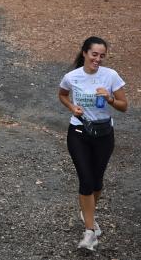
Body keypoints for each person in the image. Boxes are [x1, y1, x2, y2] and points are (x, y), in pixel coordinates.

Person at [58, 36, 128, 251]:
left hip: (104, 134)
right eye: (94, 54)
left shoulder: (111, 76)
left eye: (102, 55)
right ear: (85, 53)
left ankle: (87, 212)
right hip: (78, 131)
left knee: (97, 183)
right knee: (86, 180)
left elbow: (124, 106)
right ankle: (90, 232)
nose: (98, 59)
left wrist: (109, 99)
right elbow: (62, 95)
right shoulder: (72, 76)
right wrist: (72, 108)